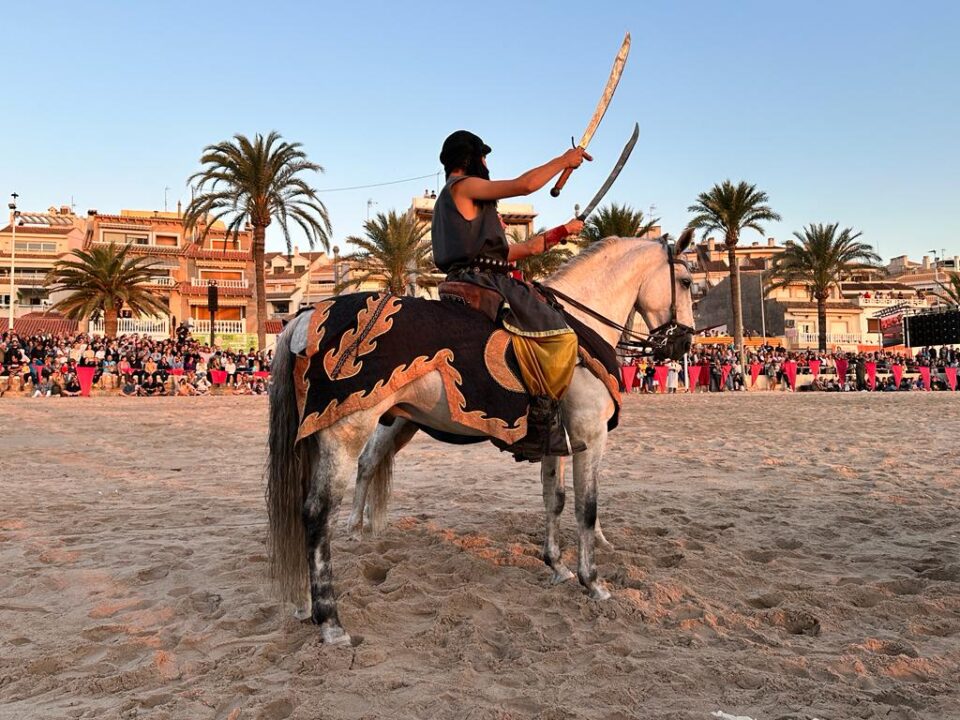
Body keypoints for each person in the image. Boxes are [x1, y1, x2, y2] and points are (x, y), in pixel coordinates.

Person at [431, 130, 588, 460]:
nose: (487, 164)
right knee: (562, 338)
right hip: (485, 282)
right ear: (469, 158)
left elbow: (521, 249)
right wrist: (563, 160)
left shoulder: (456, 204)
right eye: (483, 157)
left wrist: (562, 231)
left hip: (475, 275)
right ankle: (539, 421)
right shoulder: (463, 186)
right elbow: (525, 185)